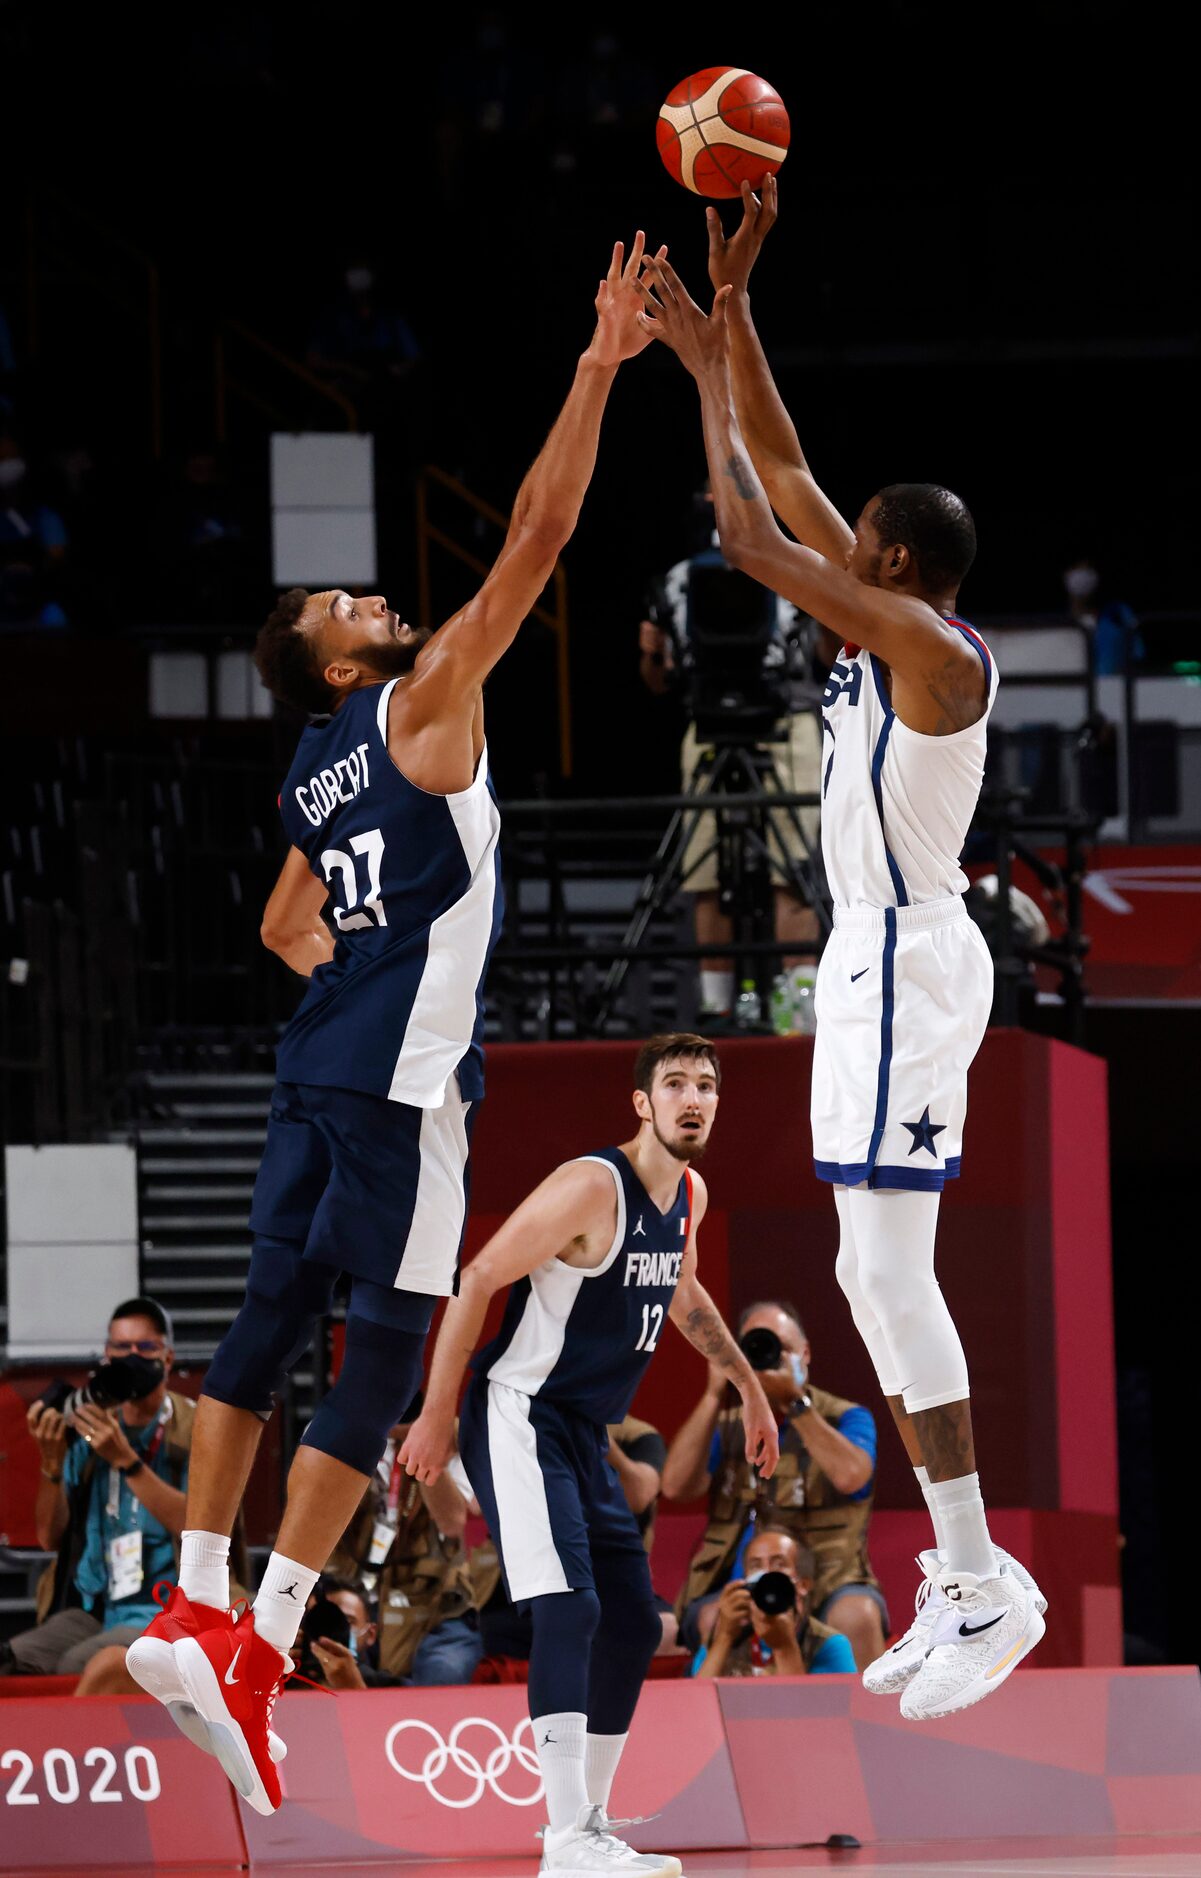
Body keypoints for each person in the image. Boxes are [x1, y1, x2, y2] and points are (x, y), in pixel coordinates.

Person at [125, 229, 660, 1814]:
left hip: (314, 1067)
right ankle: (264, 1642)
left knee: (261, 1330)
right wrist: (594, 366)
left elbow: (284, 922)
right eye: (348, 596)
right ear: (341, 656)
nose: (376, 589)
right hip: (403, 1084)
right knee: (386, 1361)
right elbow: (542, 535)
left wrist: (356, 974)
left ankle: (197, 1602)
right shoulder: (420, 704)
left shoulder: (308, 768)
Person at [634, 183, 1046, 1723]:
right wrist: (723, 325)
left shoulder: (931, 653)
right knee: (871, 1278)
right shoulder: (889, 614)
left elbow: (746, 520)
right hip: (876, 965)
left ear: (883, 559)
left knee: (881, 1270)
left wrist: (707, 352)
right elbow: (789, 466)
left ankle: (978, 1575)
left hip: (909, 959)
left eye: (852, 536)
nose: (835, 526)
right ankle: (968, 1571)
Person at [400, 1033, 779, 1878]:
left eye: (706, 1085)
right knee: (568, 1610)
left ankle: (591, 1825)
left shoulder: (689, 1193)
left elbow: (680, 1291)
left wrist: (749, 1389)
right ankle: (565, 1836)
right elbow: (475, 1278)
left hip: (583, 1432)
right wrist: (434, 1415)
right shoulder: (590, 1186)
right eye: (674, 1083)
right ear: (641, 1103)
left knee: (636, 1623)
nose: (693, 1097)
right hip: (518, 1413)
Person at [638, 481, 823, 1026]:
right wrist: (651, 651)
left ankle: (799, 1015)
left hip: (785, 724)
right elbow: (658, 677)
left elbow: (822, 652)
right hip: (709, 727)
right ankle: (718, 1013)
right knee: (706, 876)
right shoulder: (674, 581)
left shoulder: (793, 569)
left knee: (791, 871)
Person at [665, 1299, 887, 1670]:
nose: (765, 1359)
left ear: (805, 1353)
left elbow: (852, 1476)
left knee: (857, 1615)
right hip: (739, 1579)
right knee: (711, 1618)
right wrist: (713, 1394)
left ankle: (873, 1723)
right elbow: (674, 1487)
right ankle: (716, 1726)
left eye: (777, 1348)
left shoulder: (845, 1416)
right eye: (751, 1348)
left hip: (828, 1579)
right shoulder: (729, 1424)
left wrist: (795, 1403)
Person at [2, 1300, 191, 1683]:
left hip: (169, 1609)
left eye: (145, 1348)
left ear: (168, 1358)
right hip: (94, 1608)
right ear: (106, 1355)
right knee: (11, 1660)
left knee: (81, 1664)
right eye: (121, 1348)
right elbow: (49, 1537)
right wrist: (52, 1465)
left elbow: (200, 1525)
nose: (131, 1358)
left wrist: (127, 1461)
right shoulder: (89, 1426)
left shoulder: (196, 1428)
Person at [323, 1396, 480, 1685]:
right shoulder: (335, 1431)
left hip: (435, 1611)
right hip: (356, 1602)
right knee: (321, 1664)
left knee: (443, 1677)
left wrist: (423, 1449)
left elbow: (453, 1522)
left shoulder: (454, 1439)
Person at [691, 1526, 855, 1678]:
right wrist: (724, 1636)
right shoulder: (723, 1634)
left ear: (803, 1584)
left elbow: (806, 1707)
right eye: (756, 1566)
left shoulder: (827, 1644)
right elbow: (697, 1703)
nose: (766, 1573)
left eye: (779, 1564)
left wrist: (784, 1647)